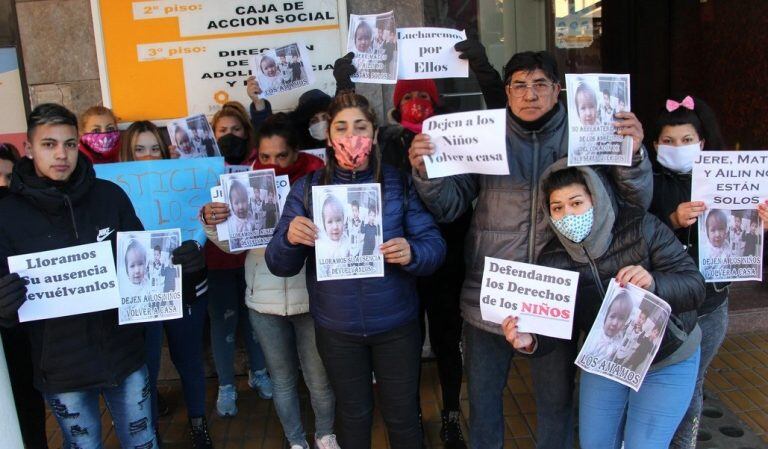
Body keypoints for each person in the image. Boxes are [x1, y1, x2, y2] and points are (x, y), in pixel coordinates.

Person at [408, 49, 652, 449]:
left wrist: (634, 154)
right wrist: (426, 173)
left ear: (559, 90)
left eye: (540, 84)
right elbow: (450, 205)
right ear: (507, 91)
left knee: (556, 404)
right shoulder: (486, 134)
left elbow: (636, 199)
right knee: (483, 404)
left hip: (554, 294)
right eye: (519, 85)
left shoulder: (588, 133)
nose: (530, 94)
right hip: (489, 293)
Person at [0, 103, 202, 448]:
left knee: (143, 441)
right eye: (49, 144)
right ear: (29, 148)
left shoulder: (109, 196)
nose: (61, 154)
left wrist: (180, 270)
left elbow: (145, 271)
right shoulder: (6, 214)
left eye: (69, 144)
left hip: (123, 356)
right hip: (61, 368)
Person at [266, 92, 446, 449]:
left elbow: (434, 246)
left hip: (396, 325)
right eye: (342, 128)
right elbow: (279, 264)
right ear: (329, 137)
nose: (352, 137)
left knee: (403, 416)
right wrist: (289, 238)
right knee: (353, 415)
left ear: (375, 134)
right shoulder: (307, 189)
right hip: (337, 329)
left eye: (360, 127)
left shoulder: (399, 183)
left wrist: (413, 252)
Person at [503, 163, 704, 448]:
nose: (567, 214)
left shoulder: (641, 226)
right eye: (557, 208)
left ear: (595, 199)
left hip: (666, 358)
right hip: (605, 360)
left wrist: (654, 282)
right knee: (595, 443)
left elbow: (695, 286)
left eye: (576, 203)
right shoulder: (553, 258)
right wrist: (531, 339)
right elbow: (559, 326)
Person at [202, 113, 338, 449]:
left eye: (281, 155)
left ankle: (325, 435)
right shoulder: (243, 187)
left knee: (319, 380)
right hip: (264, 300)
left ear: (296, 152)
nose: (273, 164)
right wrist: (211, 221)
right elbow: (231, 245)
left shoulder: (320, 182)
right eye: (265, 157)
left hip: (312, 299)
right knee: (282, 380)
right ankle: (295, 441)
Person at [205, 102, 271, 418]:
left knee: (254, 320)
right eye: (222, 131)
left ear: (246, 132)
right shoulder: (202, 167)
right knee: (224, 324)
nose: (229, 136)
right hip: (216, 261)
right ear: (212, 135)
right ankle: (227, 386)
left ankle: (258, 374)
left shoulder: (258, 165)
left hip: (253, 259)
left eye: (236, 130)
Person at [0, 141, 49, 449]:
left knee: (30, 416)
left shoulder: (23, 217)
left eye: (8, 178)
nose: (1, 186)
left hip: (22, 338)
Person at [583, 292, 632, 361]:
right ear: (606, 316)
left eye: (621, 318)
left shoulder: (619, 336)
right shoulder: (596, 337)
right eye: (612, 316)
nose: (615, 323)